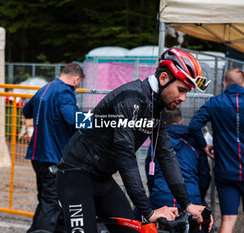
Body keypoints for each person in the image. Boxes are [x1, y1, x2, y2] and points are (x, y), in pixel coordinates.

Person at [56, 48, 213, 233]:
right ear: (163, 78)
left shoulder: (157, 108)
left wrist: (187, 204)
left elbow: (165, 154)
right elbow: (125, 156)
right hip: (76, 175)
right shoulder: (130, 97)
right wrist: (148, 212)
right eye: (181, 90)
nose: (183, 98)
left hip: (102, 178)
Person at [189, 68, 244, 233]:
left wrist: (204, 145)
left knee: (228, 218)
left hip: (225, 171)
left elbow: (193, 126)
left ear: (225, 84)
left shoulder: (215, 102)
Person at [23, 63, 84, 233]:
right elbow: (73, 119)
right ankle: (42, 230)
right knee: (52, 201)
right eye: (79, 83)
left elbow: (26, 111)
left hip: (37, 155)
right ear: (76, 79)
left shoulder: (44, 88)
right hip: (54, 157)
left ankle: (34, 230)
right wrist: (94, 120)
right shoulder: (65, 92)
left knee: (45, 199)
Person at [145, 108, 211, 212]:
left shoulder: (157, 141)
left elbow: (150, 173)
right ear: (181, 121)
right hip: (191, 196)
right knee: (202, 220)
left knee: (139, 218)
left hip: (161, 196)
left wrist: (155, 192)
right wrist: (199, 196)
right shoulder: (195, 142)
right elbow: (205, 175)